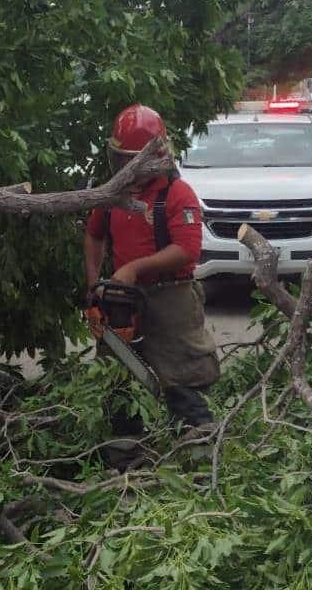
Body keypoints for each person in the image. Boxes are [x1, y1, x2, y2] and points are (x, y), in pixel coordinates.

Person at [83, 104, 220, 444]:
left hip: (170, 297)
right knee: (120, 383)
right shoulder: (112, 194)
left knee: (183, 379)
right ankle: (126, 461)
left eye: (134, 159)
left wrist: (134, 268)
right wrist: (93, 286)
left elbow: (187, 250)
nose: (128, 166)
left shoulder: (177, 193)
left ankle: (197, 453)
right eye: (123, 158)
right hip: (122, 301)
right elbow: (94, 234)